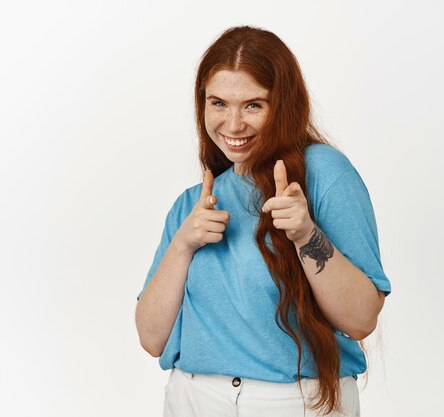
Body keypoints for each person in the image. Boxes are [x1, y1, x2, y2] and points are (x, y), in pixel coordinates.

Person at [135, 26, 391, 417]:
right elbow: (151, 338)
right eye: (218, 103)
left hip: (297, 401)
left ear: (283, 106)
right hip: (193, 397)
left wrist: (306, 235)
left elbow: (361, 320)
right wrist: (183, 243)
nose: (233, 124)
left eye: (253, 105)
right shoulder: (193, 203)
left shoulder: (324, 173)